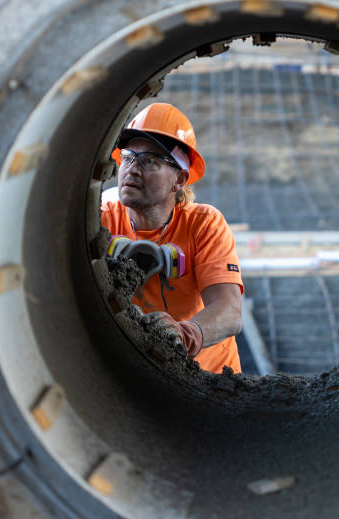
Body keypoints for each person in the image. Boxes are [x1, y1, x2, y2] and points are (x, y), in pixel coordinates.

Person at [100, 102, 244, 373]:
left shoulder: (203, 224)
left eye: (150, 161)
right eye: (129, 157)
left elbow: (229, 310)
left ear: (179, 179)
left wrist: (185, 335)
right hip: (139, 375)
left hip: (209, 379)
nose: (132, 169)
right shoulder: (102, 221)